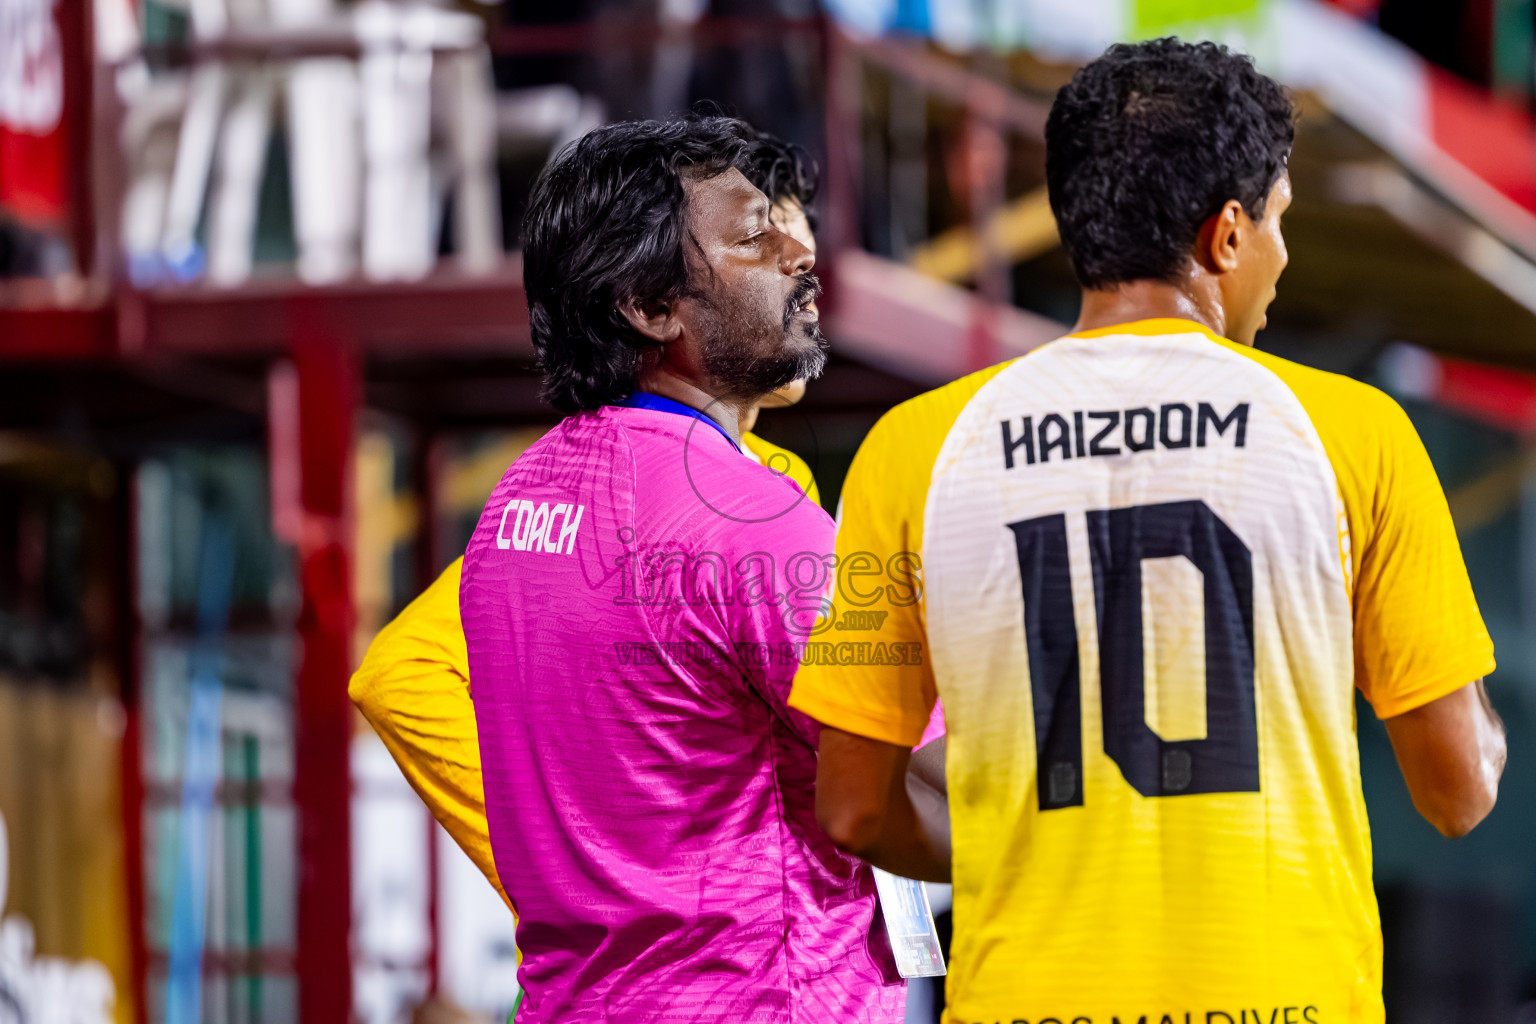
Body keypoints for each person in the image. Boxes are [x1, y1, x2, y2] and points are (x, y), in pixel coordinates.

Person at [790, 38, 1506, 1024]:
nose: (1284, 257)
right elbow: (1458, 791)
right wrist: (1486, 732)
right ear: (1225, 236)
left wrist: (1026, 837)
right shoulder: (1356, 435)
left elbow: (855, 806)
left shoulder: (911, 451)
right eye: (1278, 224)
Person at [356, 116, 909, 1020]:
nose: (799, 256)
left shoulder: (520, 503)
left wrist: (585, 884)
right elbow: (910, 774)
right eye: (754, 235)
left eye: (791, 226)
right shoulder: (753, 515)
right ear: (650, 306)